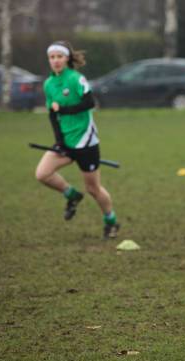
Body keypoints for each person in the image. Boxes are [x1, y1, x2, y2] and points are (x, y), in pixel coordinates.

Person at [35, 41, 120, 238]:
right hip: (65, 141)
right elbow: (52, 115)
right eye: (52, 57)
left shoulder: (76, 79)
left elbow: (90, 102)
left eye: (59, 56)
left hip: (85, 141)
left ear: (67, 58)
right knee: (42, 174)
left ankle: (111, 221)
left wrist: (64, 110)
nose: (55, 61)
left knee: (93, 188)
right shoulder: (49, 84)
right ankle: (72, 195)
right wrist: (59, 141)